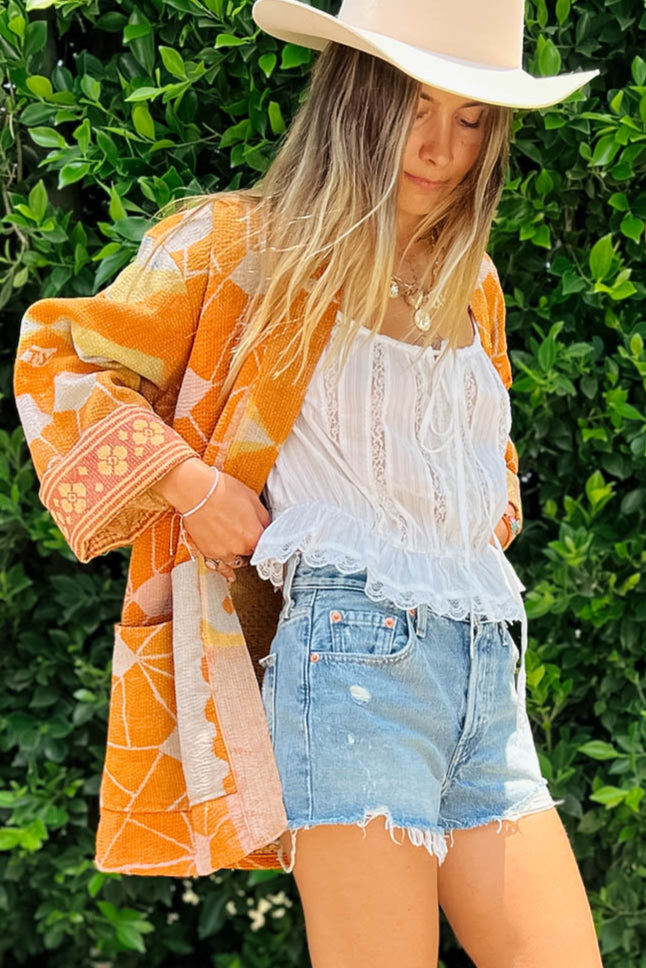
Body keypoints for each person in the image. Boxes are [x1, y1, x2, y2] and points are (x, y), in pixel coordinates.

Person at [13, 0, 605, 964]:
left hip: (483, 668)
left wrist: (475, 515)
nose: (442, 147)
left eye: (471, 118)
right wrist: (190, 485)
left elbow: (480, 467)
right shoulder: (239, 245)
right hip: (350, 660)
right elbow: (59, 365)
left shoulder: (474, 281)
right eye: (415, 106)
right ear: (354, 98)